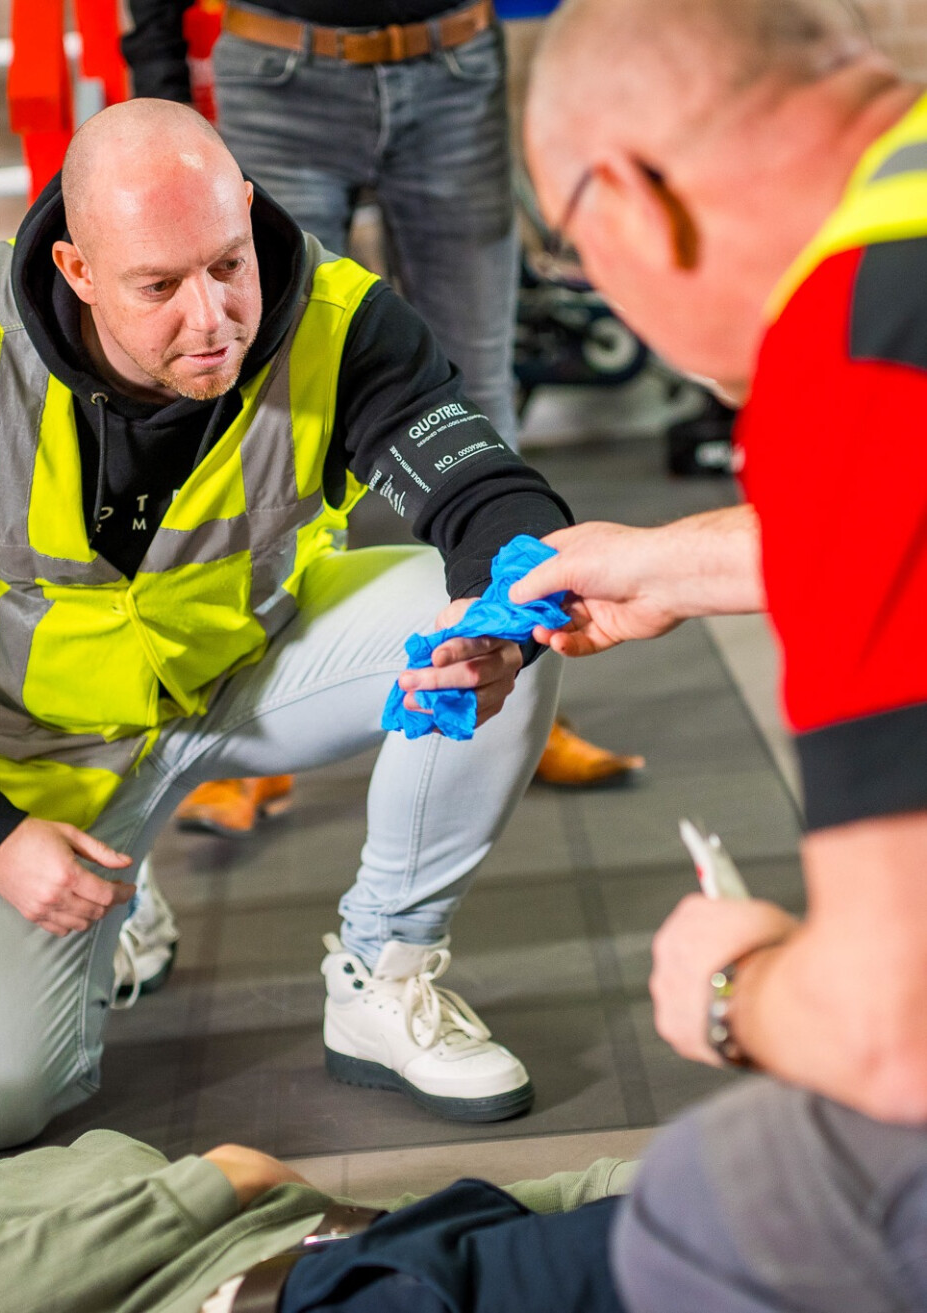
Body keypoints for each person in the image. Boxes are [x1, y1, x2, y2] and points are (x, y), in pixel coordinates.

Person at [0, 96, 576, 1150]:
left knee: (515, 603)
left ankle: (382, 969)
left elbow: (490, 492)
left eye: (226, 265)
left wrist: (499, 634)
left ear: (247, 212)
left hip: (253, 665)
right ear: (77, 270)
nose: (210, 319)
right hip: (38, 752)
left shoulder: (341, 320)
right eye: (158, 287)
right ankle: (123, 884)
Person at [510, 0, 927, 1307]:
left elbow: (895, 1033)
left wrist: (736, 986)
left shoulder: (856, 341)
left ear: (630, 202)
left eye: (575, 252)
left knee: (713, 1196)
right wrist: (665, 565)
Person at [120, 0, 646, 843]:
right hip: (280, 72)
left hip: (455, 65)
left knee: (482, 398)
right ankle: (246, 739)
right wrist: (164, 100)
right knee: (261, 405)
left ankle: (520, 690)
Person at [0, 1065, 634, 1312]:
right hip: (298, 1295)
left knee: (674, 1220)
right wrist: (211, 1181)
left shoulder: (75, 1159)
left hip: (371, 1257)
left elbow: (350, 1222)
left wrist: (590, 1188)